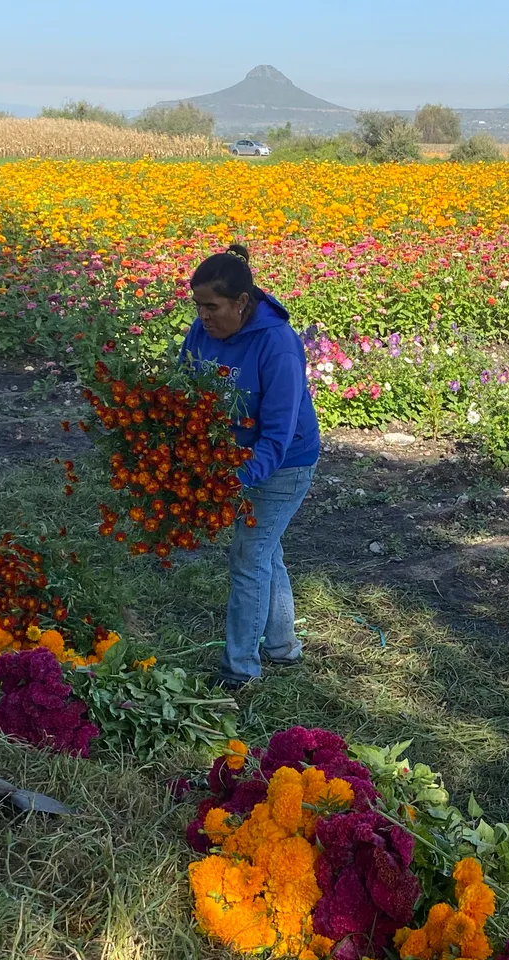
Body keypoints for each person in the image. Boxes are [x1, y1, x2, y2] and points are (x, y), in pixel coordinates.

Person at [181, 244, 320, 689]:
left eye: (212, 307)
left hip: (283, 465)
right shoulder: (202, 333)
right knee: (265, 550)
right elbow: (183, 389)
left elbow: (276, 439)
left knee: (249, 555)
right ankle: (282, 648)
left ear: (242, 303)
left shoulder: (277, 346)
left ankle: (240, 671)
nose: (203, 316)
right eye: (198, 306)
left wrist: (228, 480)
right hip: (232, 459)